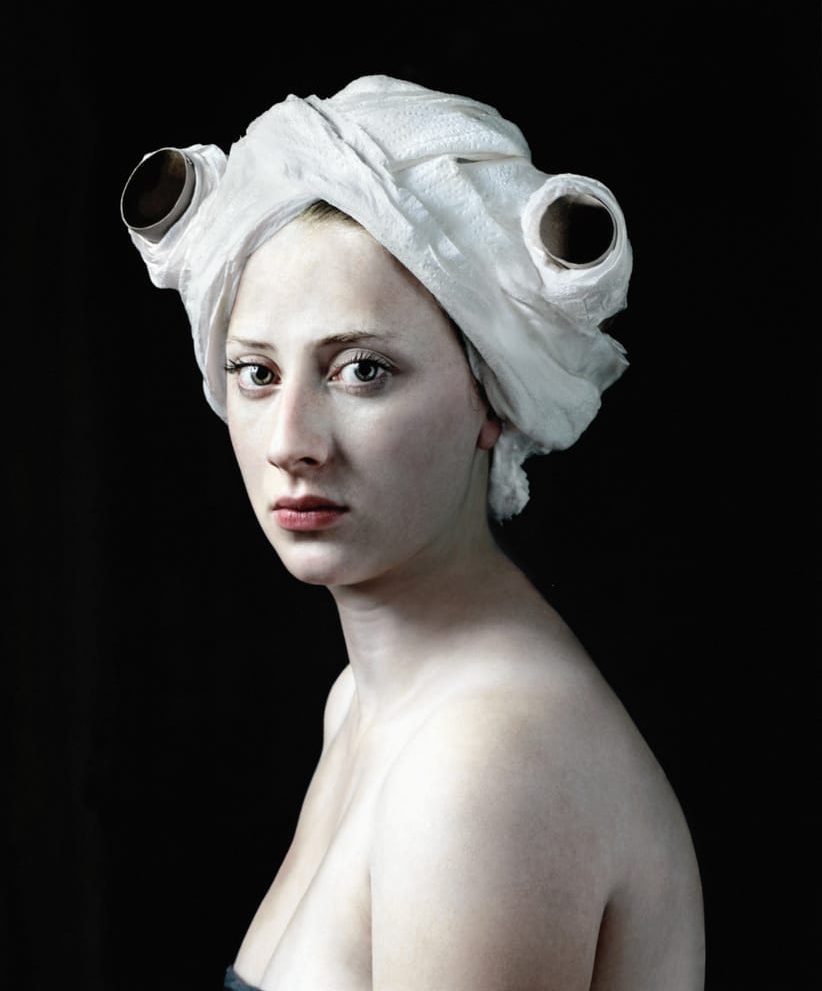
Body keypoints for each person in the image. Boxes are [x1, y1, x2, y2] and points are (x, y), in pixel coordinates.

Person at [120, 75, 705, 991]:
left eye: (362, 370)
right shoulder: (365, 699)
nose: (290, 443)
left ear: (489, 395)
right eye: (257, 373)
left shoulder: (483, 759)